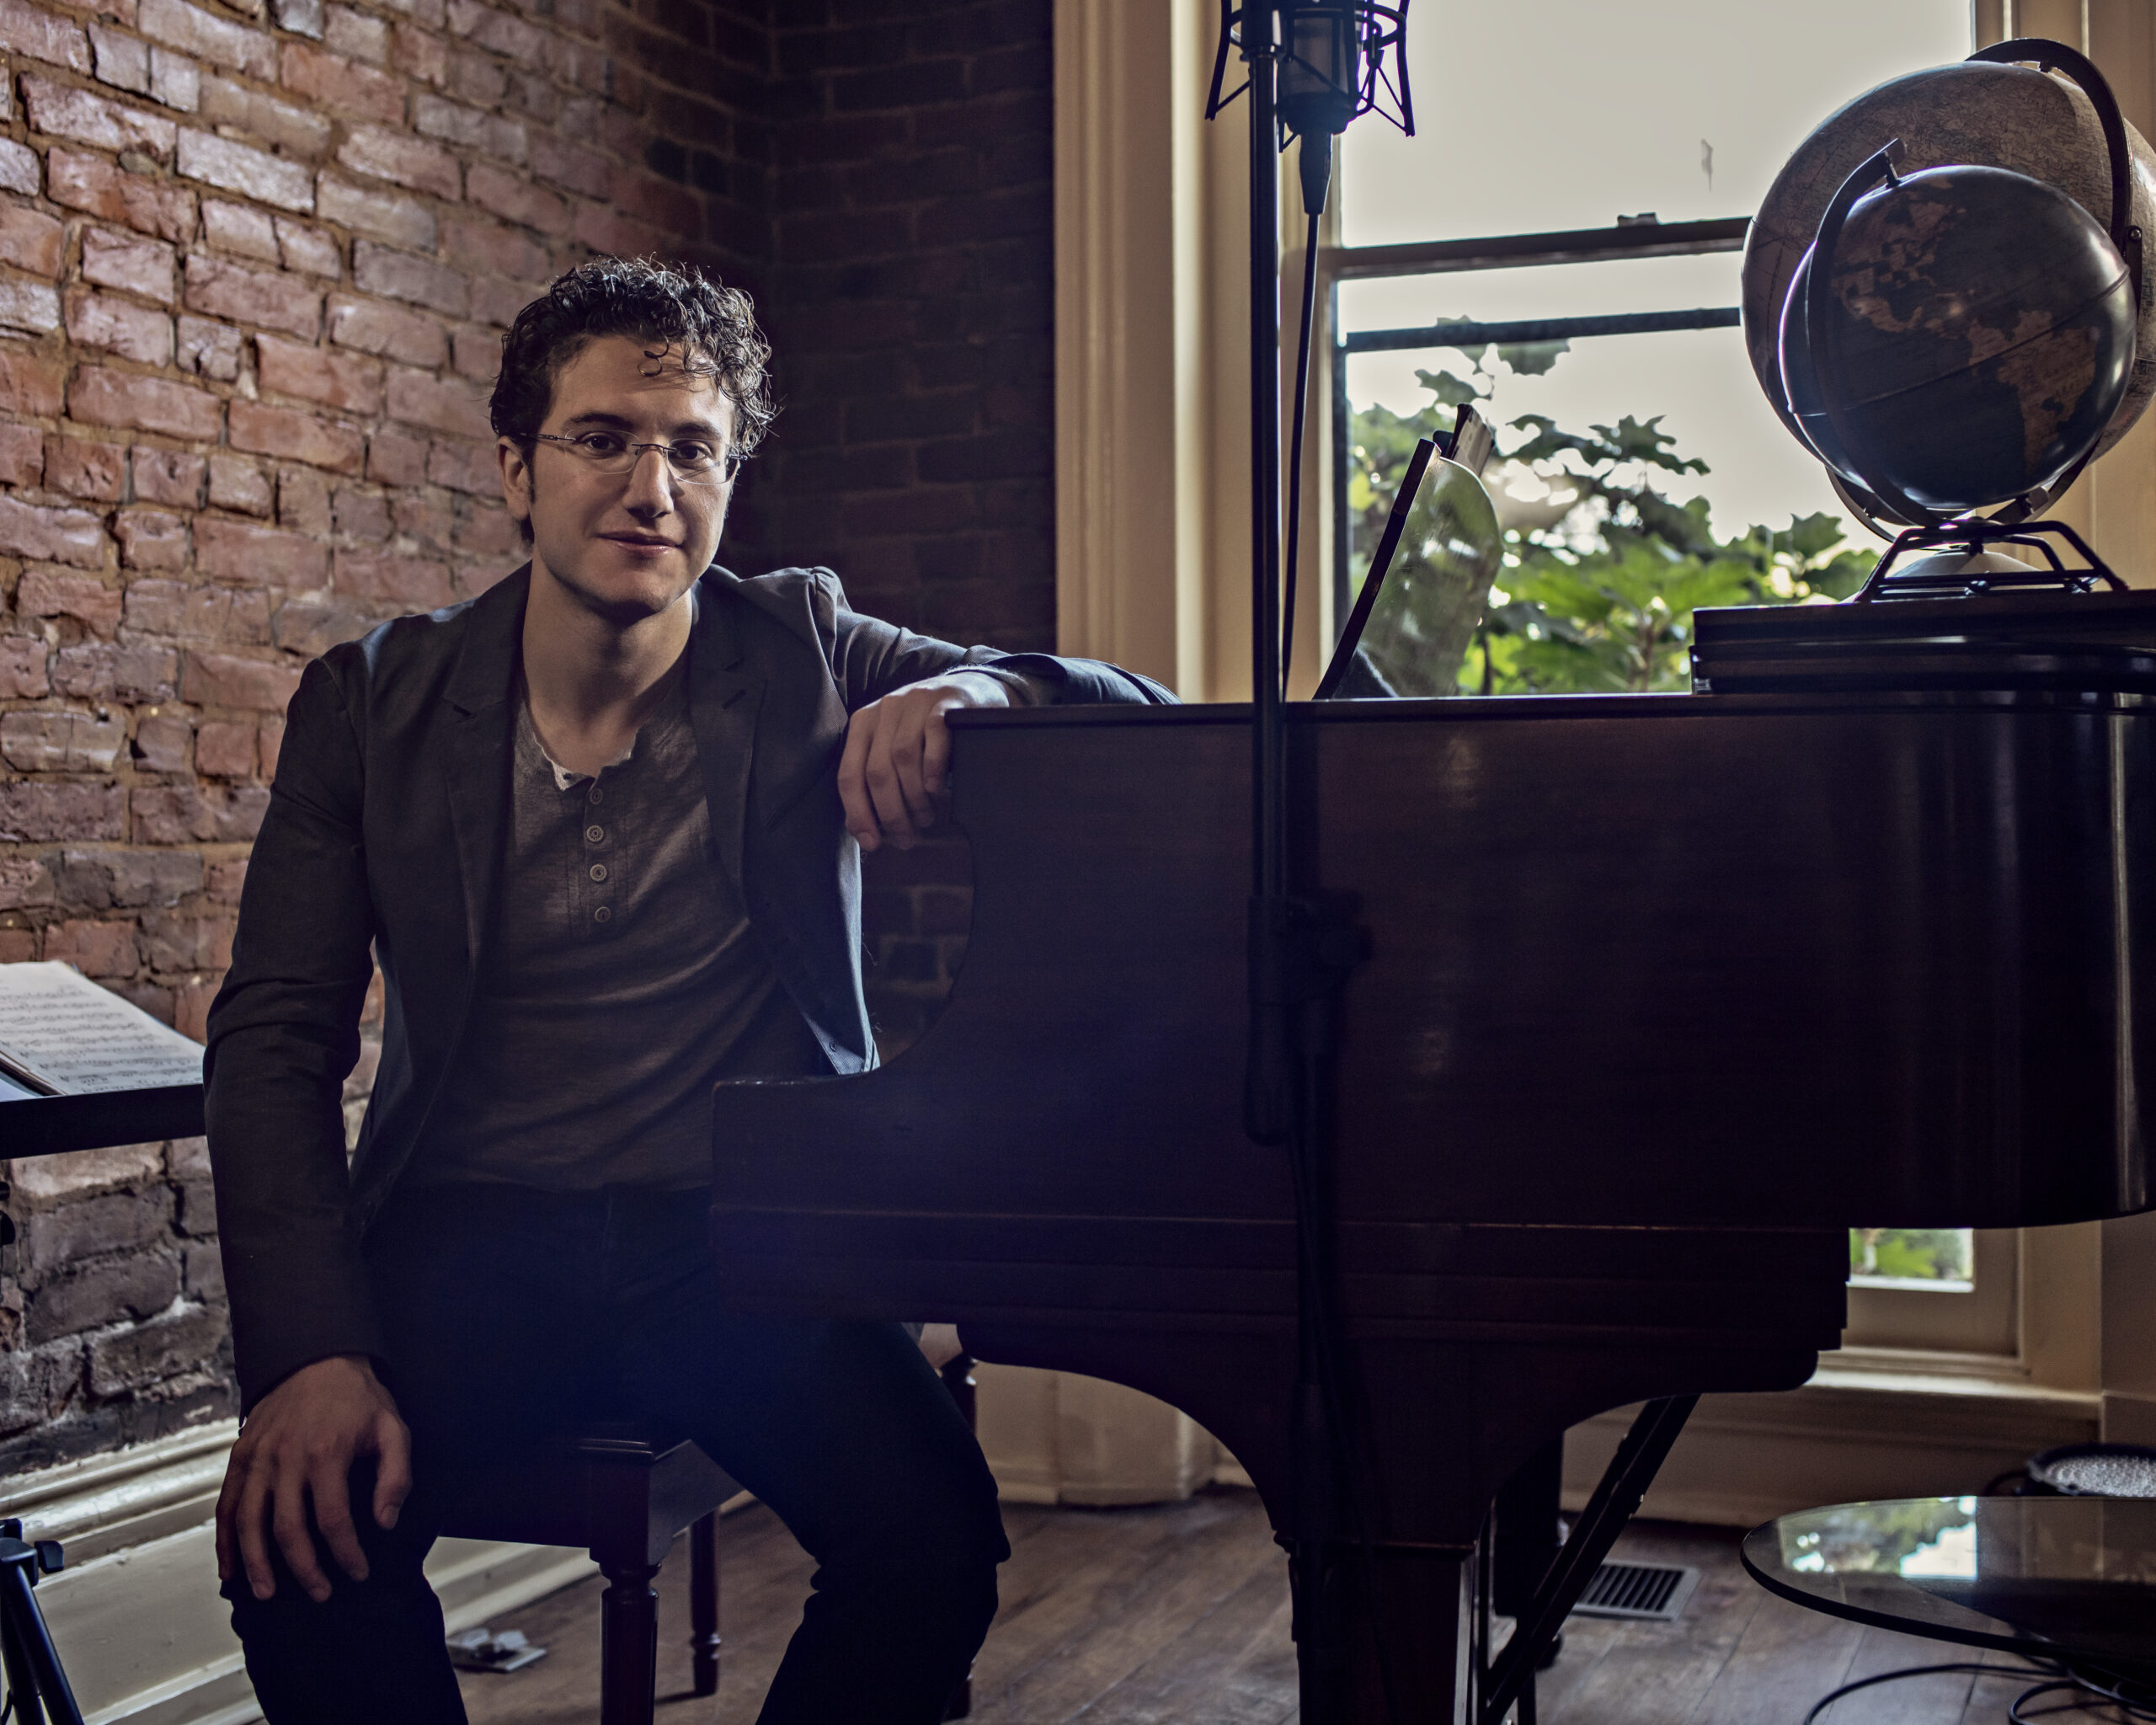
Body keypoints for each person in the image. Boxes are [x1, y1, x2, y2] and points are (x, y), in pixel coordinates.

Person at [203, 256, 1172, 1724]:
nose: (651, 488)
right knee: (299, 1544)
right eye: (604, 439)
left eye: (693, 450)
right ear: (518, 469)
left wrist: (984, 691)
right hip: (469, 1236)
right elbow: (273, 1041)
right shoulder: (373, 701)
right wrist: (314, 1351)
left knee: (932, 1549)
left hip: (735, 1242)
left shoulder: (804, 652)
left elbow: (1134, 709)